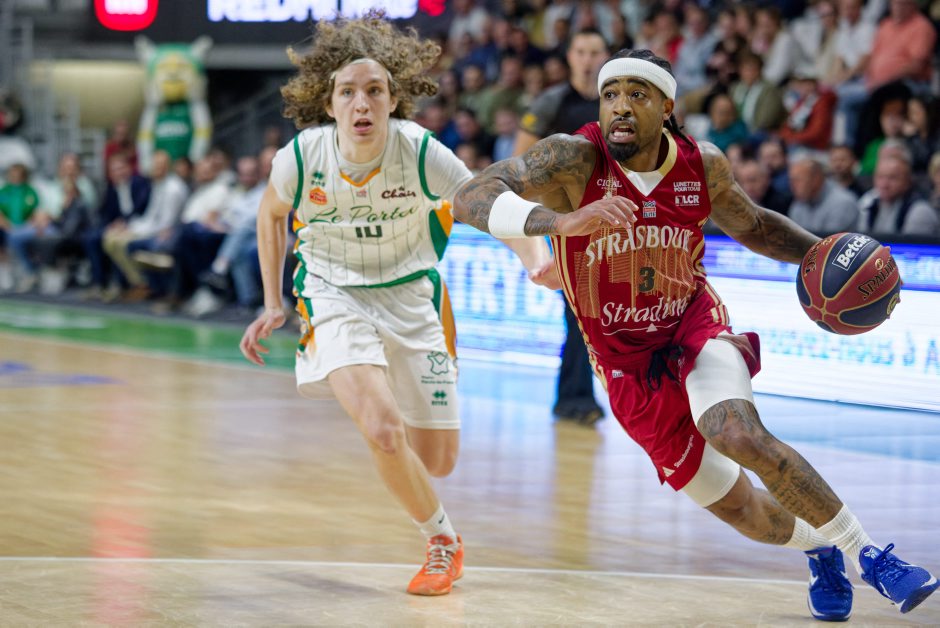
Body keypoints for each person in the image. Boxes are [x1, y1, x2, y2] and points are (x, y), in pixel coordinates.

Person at [453, 48, 939, 620]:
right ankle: (820, 547)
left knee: (735, 431)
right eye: (610, 94)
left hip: (691, 324)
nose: (620, 106)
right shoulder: (573, 158)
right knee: (741, 510)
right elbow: (469, 197)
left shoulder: (700, 165)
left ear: (667, 106)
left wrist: (828, 258)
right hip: (626, 368)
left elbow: (755, 226)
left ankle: (873, 558)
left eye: (637, 94)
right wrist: (561, 222)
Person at [239, 12, 550, 597]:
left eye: (375, 90)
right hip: (332, 292)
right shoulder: (301, 158)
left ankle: (401, 421)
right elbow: (270, 214)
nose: (362, 102)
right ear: (329, 104)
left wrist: (535, 257)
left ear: (392, 100)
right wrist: (272, 302)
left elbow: (486, 202)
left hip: (411, 294)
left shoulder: (421, 151)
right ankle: (442, 542)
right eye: (348, 92)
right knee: (383, 429)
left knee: (437, 460)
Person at [514, 28, 609, 426]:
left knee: (594, 311)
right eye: (581, 51)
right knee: (579, 310)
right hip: (566, 225)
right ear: (570, 57)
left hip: (610, 221)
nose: (587, 59)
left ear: (605, 58)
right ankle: (574, 397)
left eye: (595, 52)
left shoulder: (615, 103)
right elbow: (521, 164)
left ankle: (581, 395)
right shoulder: (551, 102)